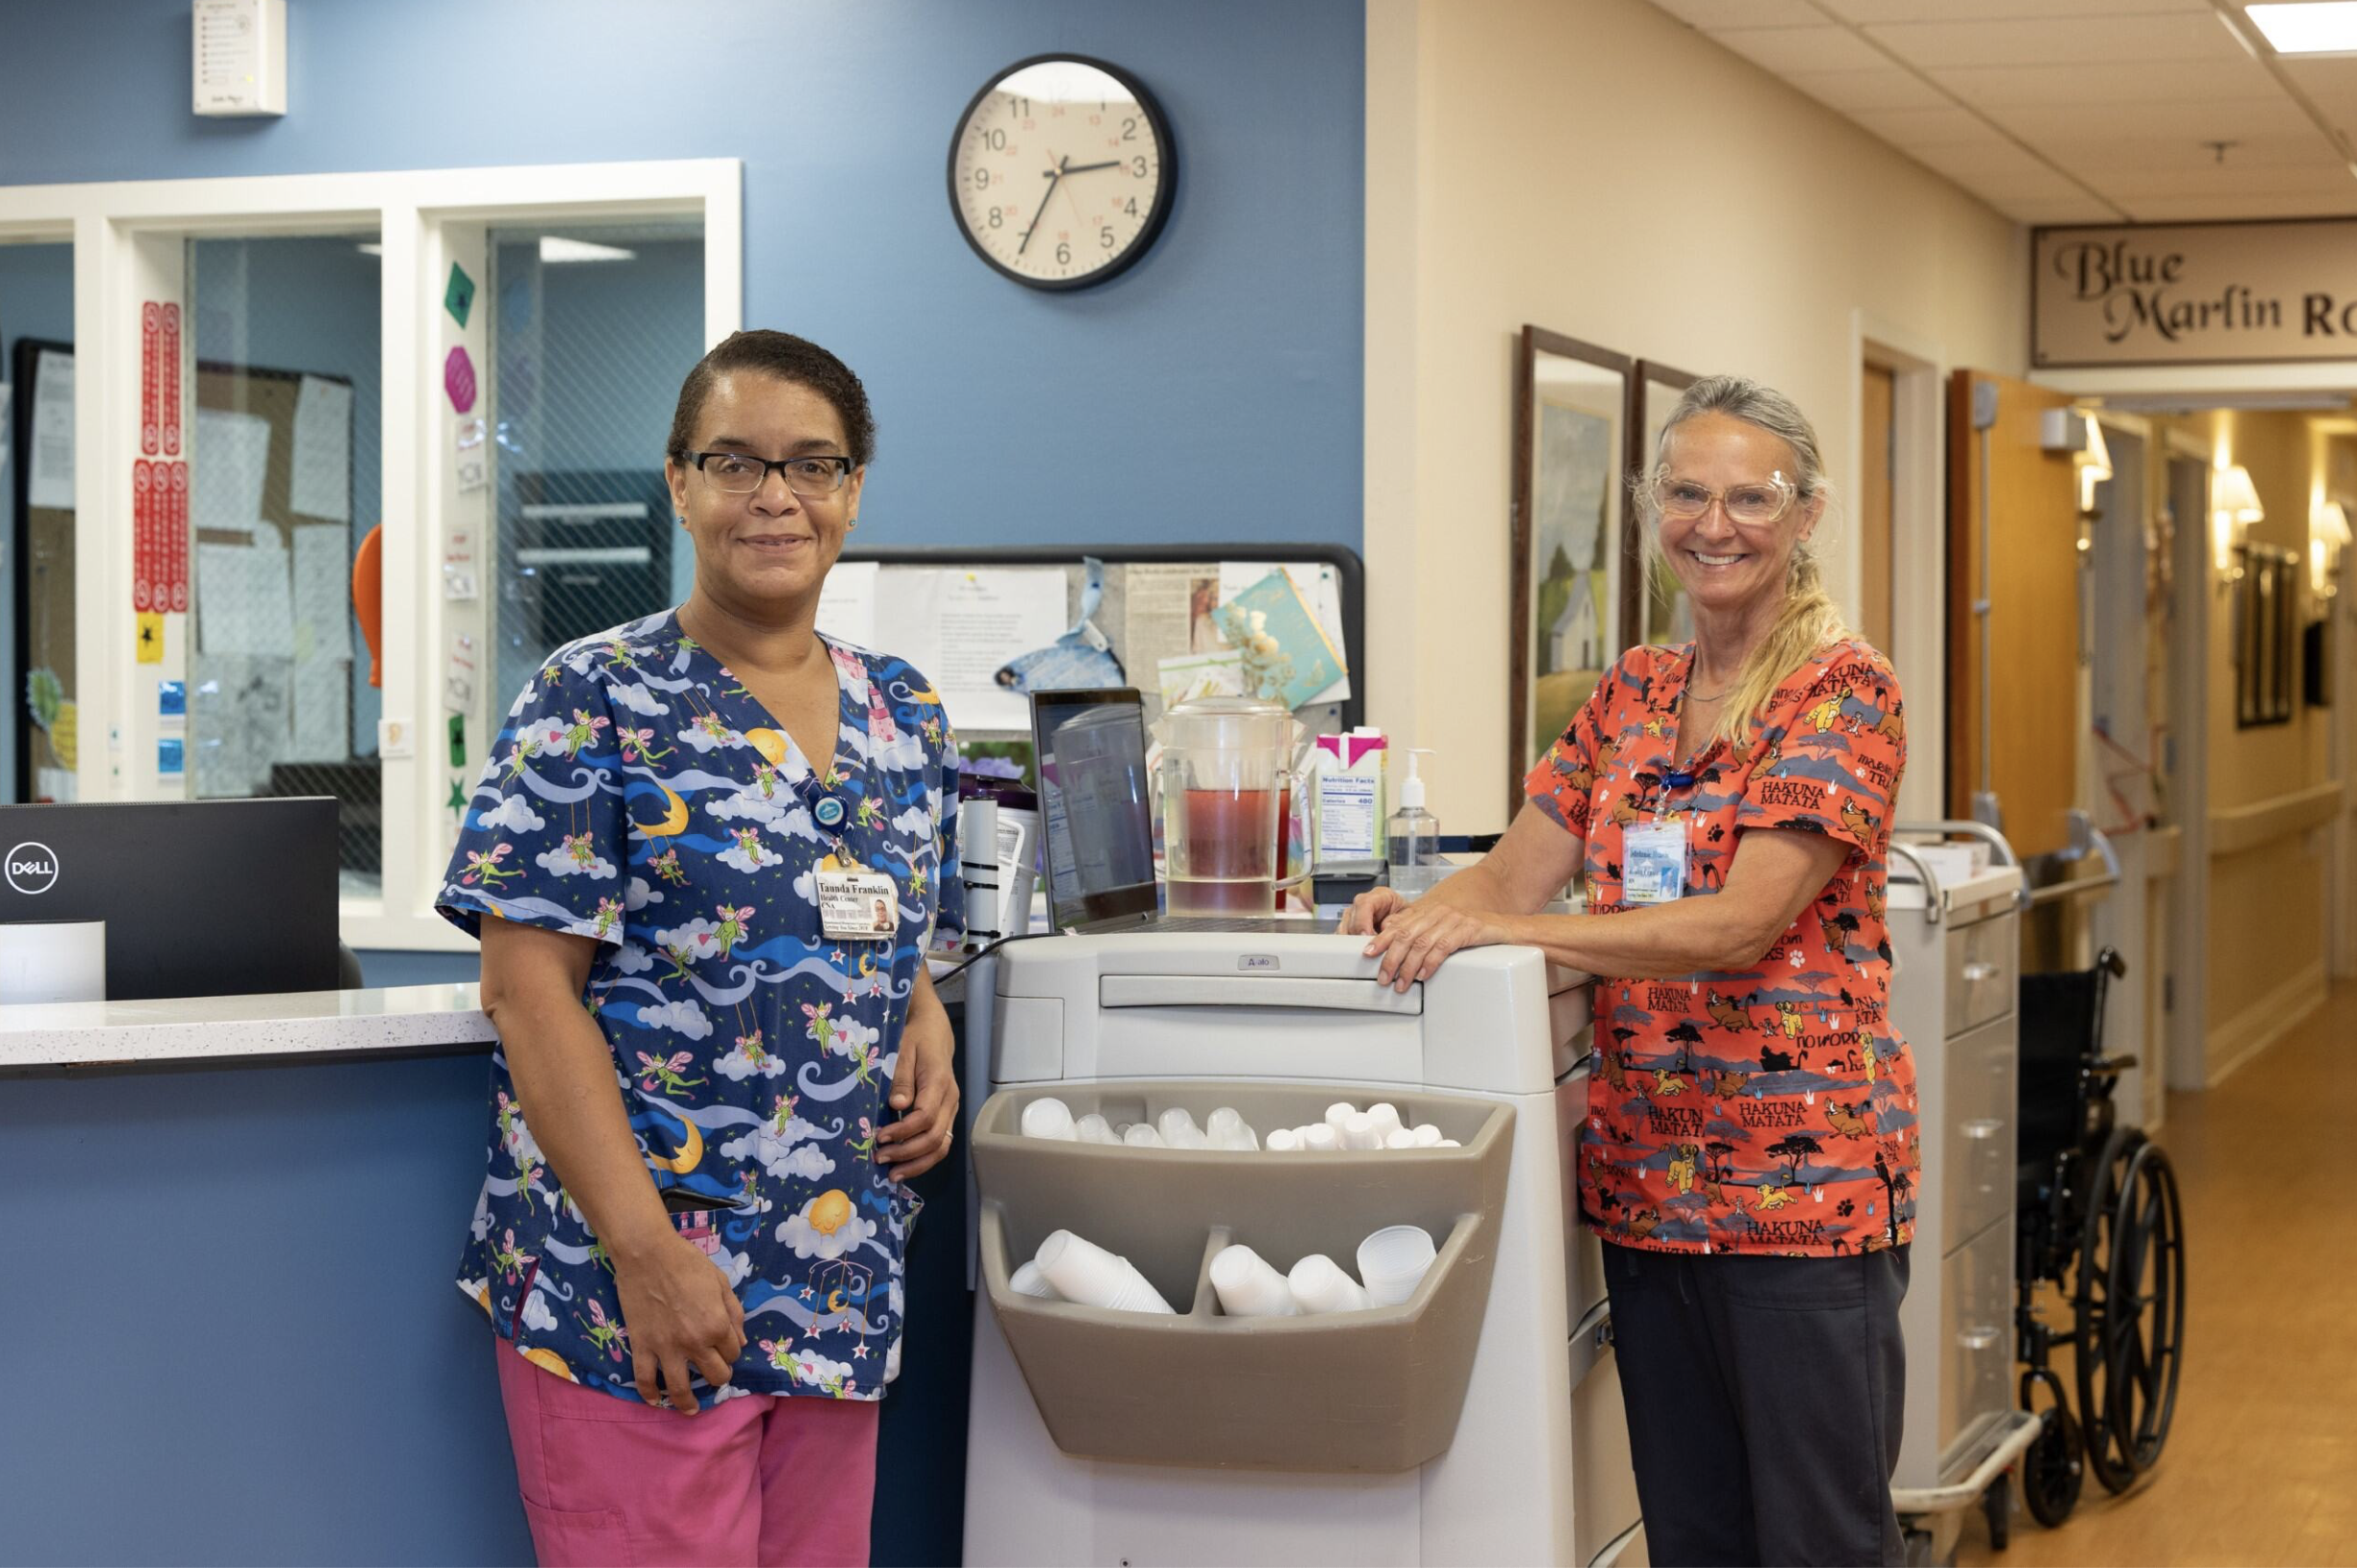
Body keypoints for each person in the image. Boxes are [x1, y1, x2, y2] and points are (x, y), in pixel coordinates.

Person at [1344, 375, 1915, 1566]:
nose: (1715, 524)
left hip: (1800, 1201)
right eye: (1688, 493)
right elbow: (1506, 878)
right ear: (1651, 504)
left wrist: (1515, 932)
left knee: (1817, 1540)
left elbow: (1737, 926)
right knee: (1693, 1537)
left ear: (1805, 514)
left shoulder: (1841, 690)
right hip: (1649, 1185)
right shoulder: (1631, 694)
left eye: (1750, 497)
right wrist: (1410, 916)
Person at [437, 330, 962, 1568]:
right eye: (735, 461)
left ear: (853, 488)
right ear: (679, 483)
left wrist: (921, 1015)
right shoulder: (592, 698)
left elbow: (874, 916)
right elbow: (525, 994)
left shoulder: (904, 710)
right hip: (640, 1290)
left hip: (833, 1279)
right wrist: (647, 1257)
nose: (775, 496)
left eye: (812, 465)